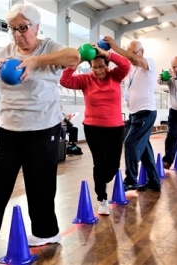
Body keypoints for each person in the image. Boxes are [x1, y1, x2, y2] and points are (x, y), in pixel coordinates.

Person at [0, 3, 80, 253]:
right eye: (13, 29)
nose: (18, 34)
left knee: (40, 184)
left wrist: (36, 60)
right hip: (9, 129)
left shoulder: (49, 47)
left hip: (42, 127)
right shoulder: (7, 51)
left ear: (36, 27)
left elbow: (74, 57)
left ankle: (47, 233)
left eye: (23, 28)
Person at [60, 44, 130, 216]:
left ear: (107, 66)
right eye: (94, 67)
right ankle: (102, 198)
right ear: (90, 66)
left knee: (112, 165)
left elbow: (126, 65)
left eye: (101, 67)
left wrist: (107, 53)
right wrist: (78, 61)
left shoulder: (115, 76)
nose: (98, 70)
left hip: (116, 127)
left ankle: (103, 180)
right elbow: (65, 81)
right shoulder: (85, 80)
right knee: (100, 162)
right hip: (93, 127)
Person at [102, 36, 161, 192]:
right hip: (134, 114)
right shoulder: (129, 69)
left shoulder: (149, 62)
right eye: (128, 53)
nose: (130, 57)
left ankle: (131, 180)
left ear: (141, 52)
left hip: (146, 112)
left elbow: (135, 59)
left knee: (130, 143)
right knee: (146, 150)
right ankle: (154, 181)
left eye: (133, 53)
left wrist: (114, 46)